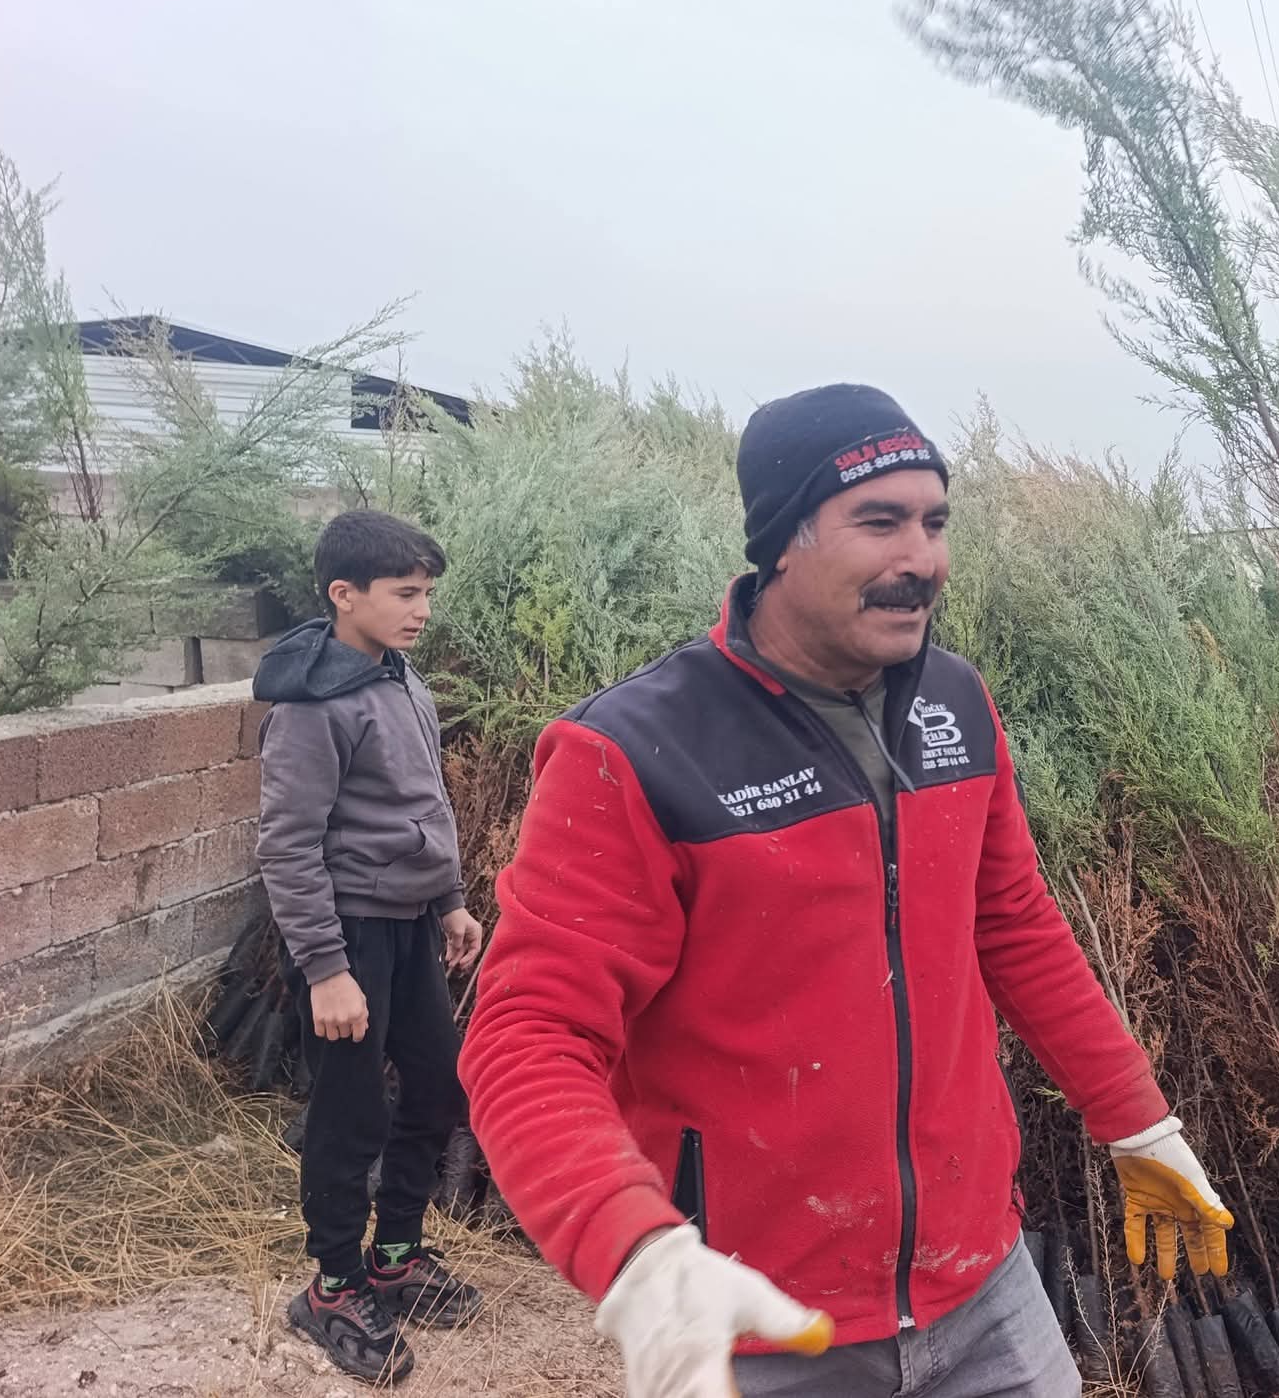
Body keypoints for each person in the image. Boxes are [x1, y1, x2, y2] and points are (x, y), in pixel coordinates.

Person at [460, 384, 1232, 1398]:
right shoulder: (634, 750)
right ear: (781, 541)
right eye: (879, 521)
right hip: (760, 1319)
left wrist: (1135, 1118)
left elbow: (1010, 923)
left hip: (982, 1283)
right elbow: (527, 1037)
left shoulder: (955, 701)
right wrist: (636, 1252)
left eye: (935, 522)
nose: (921, 558)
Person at [254, 509, 488, 1386]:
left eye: (427, 593)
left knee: (436, 1085)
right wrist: (325, 970)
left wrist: (450, 901)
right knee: (349, 1113)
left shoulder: (399, 677)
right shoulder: (312, 707)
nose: (421, 610)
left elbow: (425, 801)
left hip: (409, 923)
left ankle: (395, 1255)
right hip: (345, 934)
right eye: (404, 593)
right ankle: (333, 1287)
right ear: (343, 594)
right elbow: (287, 846)